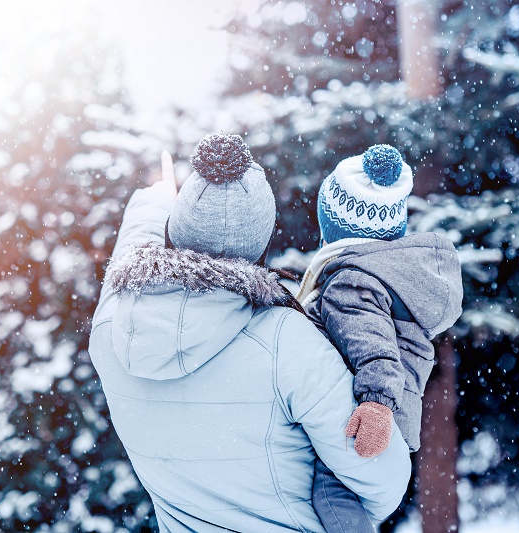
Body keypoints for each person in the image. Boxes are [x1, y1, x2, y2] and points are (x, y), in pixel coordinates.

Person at [89, 133, 411, 532]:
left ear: (172, 231)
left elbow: (133, 248)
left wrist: (155, 198)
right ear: (261, 250)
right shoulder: (287, 342)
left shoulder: (111, 327)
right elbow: (383, 476)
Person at [296, 145, 463, 533]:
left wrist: (376, 404)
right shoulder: (388, 278)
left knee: (330, 498)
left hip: (369, 421)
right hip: (392, 425)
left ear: (333, 224)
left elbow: (377, 352)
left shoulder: (351, 283)